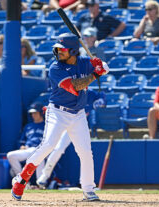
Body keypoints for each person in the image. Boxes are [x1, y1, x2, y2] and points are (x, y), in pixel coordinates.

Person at [11, 33, 109, 201]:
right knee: (48, 145)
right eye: (57, 49)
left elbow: (106, 68)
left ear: (73, 51)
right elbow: (75, 86)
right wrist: (96, 74)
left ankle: (88, 189)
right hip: (58, 112)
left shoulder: (85, 63)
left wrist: (101, 65)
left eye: (62, 50)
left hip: (78, 114)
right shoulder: (55, 68)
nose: (58, 52)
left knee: (85, 152)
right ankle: (21, 179)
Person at [36, 89, 106, 188]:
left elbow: (102, 96)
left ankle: (85, 184)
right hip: (63, 121)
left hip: (78, 125)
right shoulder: (68, 90)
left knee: (85, 152)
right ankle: (45, 175)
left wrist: (101, 101)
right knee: (58, 149)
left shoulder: (89, 93)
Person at [7, 102, 46, 182]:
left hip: (40, 149)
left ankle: (40, 183)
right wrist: (22, 146)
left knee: (40, 155)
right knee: (11, 155)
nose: (33, 115)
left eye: (35, 113)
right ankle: (21, 182)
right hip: (28, 149)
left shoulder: (46, 125)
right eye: (32, 113)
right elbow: (22, 141)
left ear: (41, 113)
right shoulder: (28, 126)